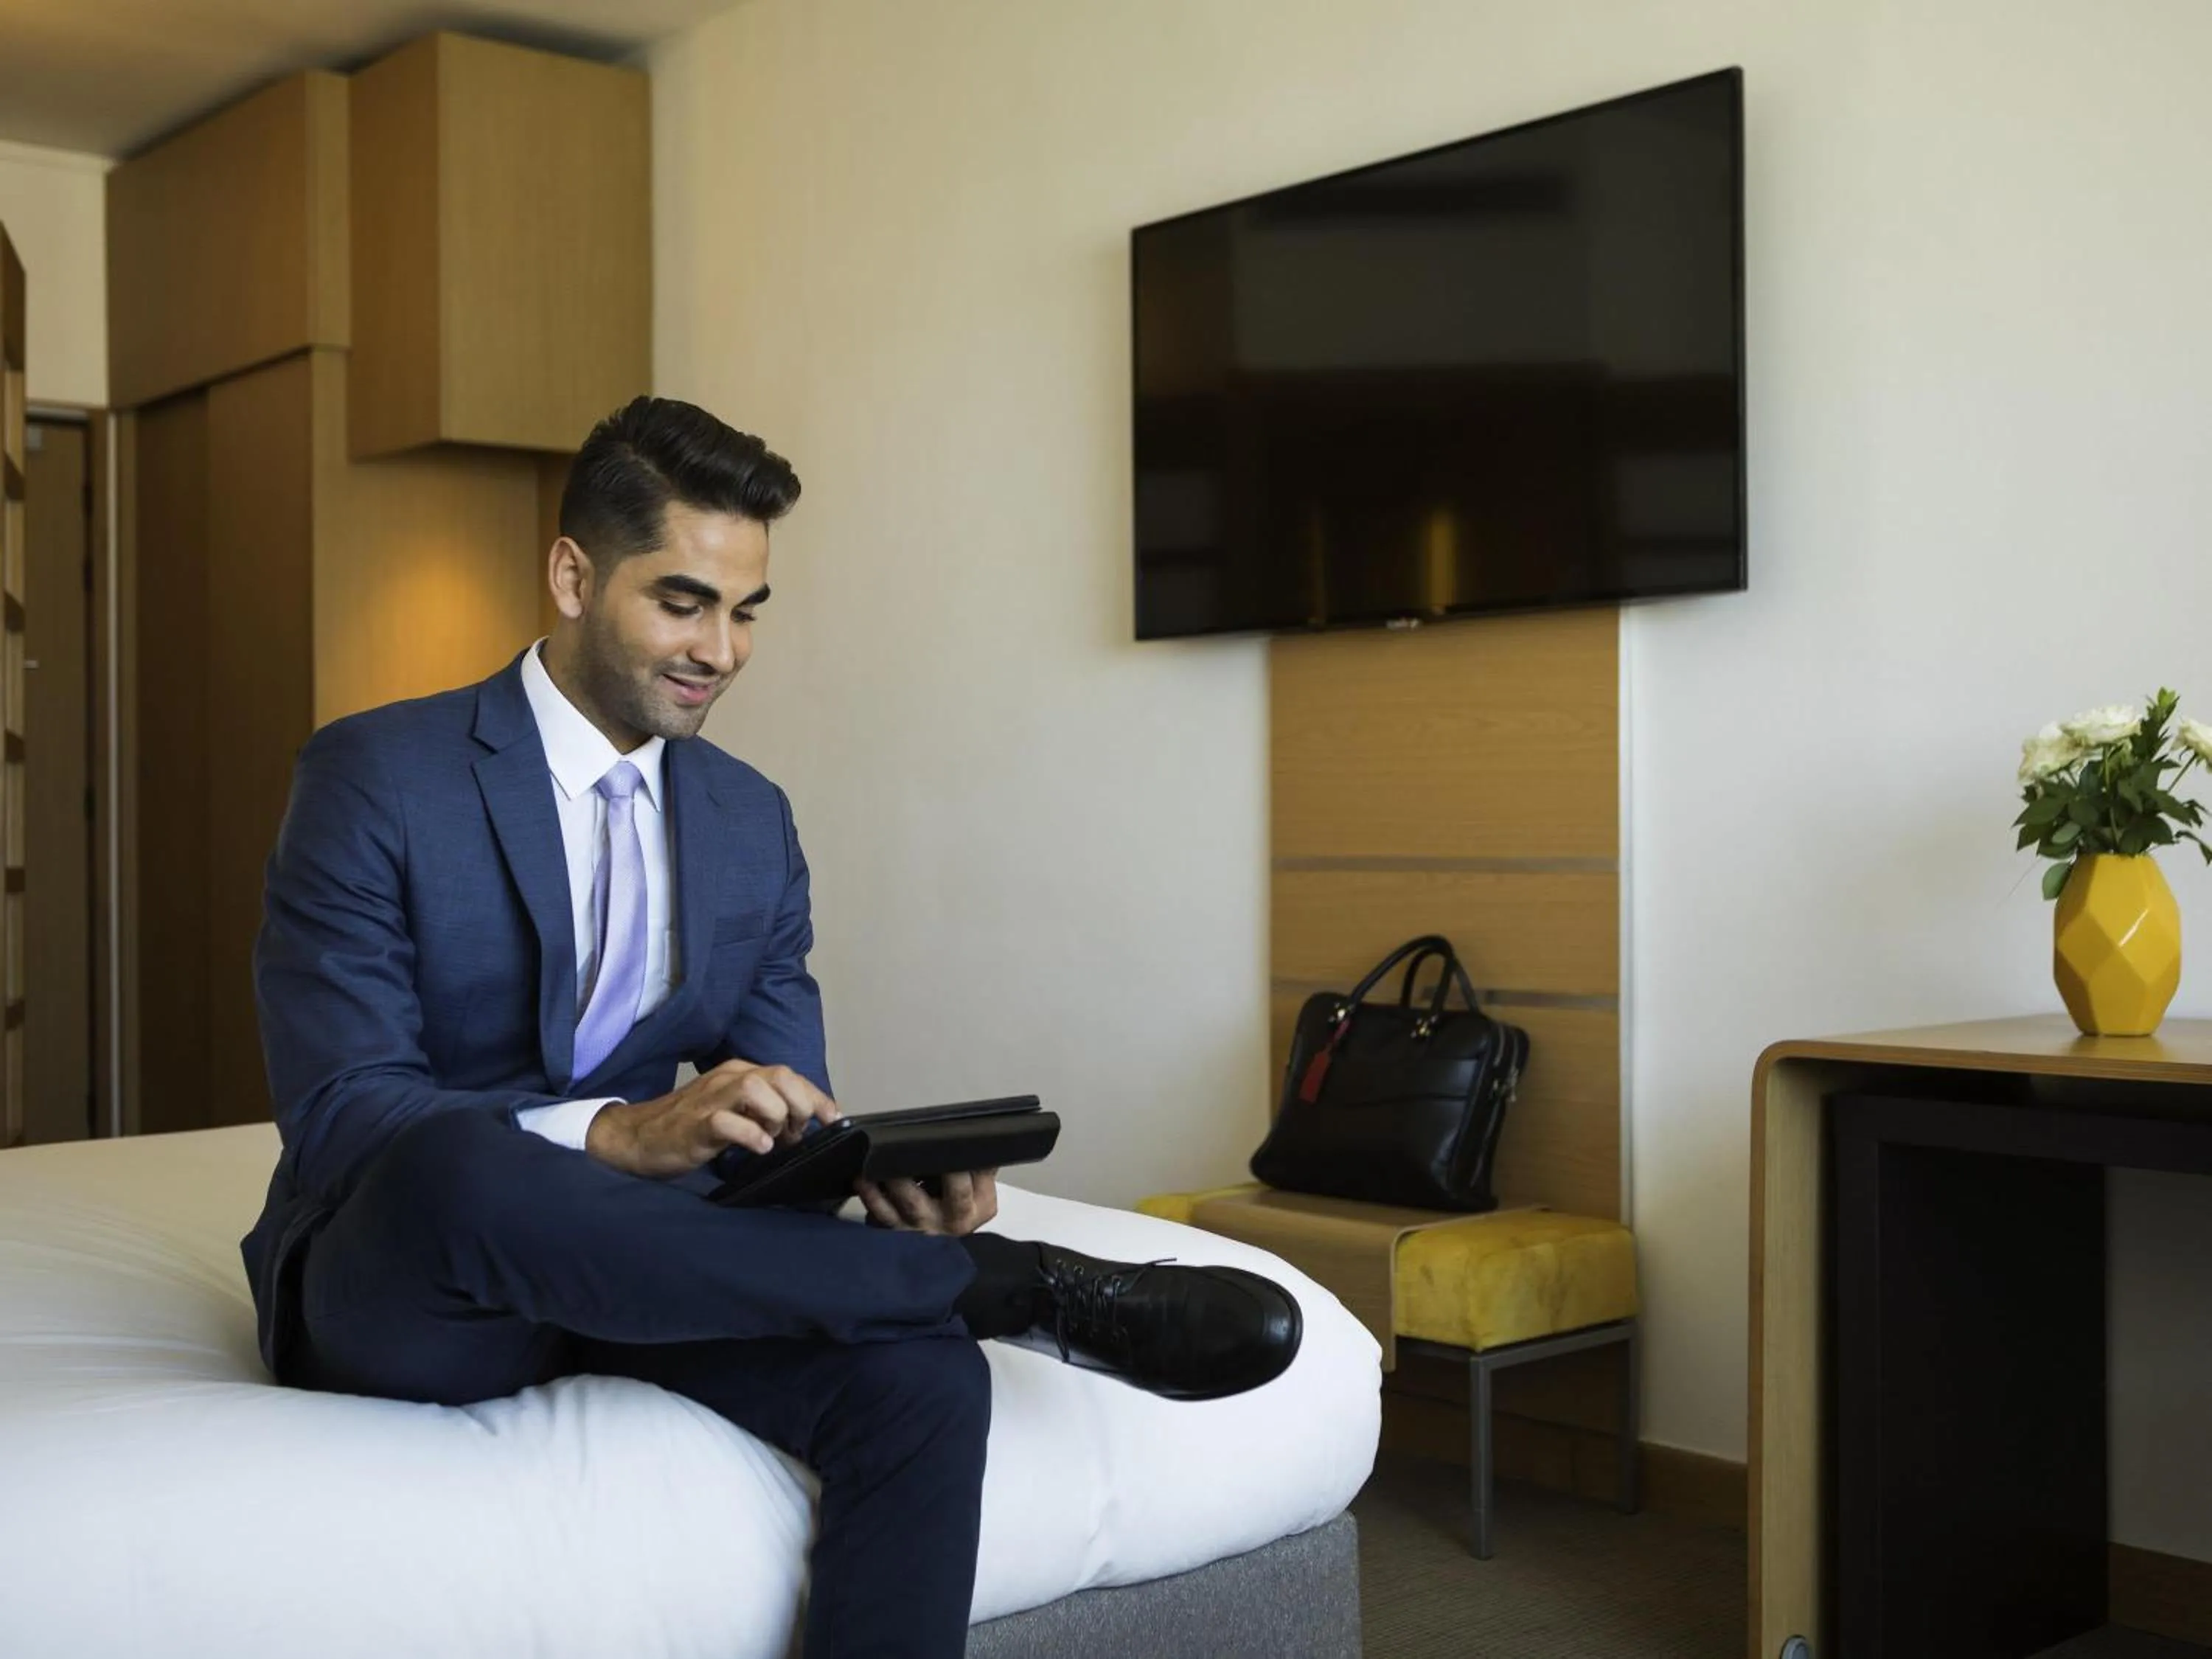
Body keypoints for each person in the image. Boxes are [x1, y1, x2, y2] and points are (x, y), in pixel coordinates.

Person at [240, 396, 1301, 1659]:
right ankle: (1000, 1291)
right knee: (462, 1159)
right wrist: (618, 1133)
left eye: (746, 611)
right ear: (572, 574)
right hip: (417, 1278)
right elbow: (345, 1109)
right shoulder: (378, 772)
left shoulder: (750, 819)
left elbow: (787, 1100)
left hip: (646, 1269)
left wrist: (865, 1173)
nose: (721, 650)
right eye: (683, 601)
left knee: (924, 1377)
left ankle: (944, 1281)